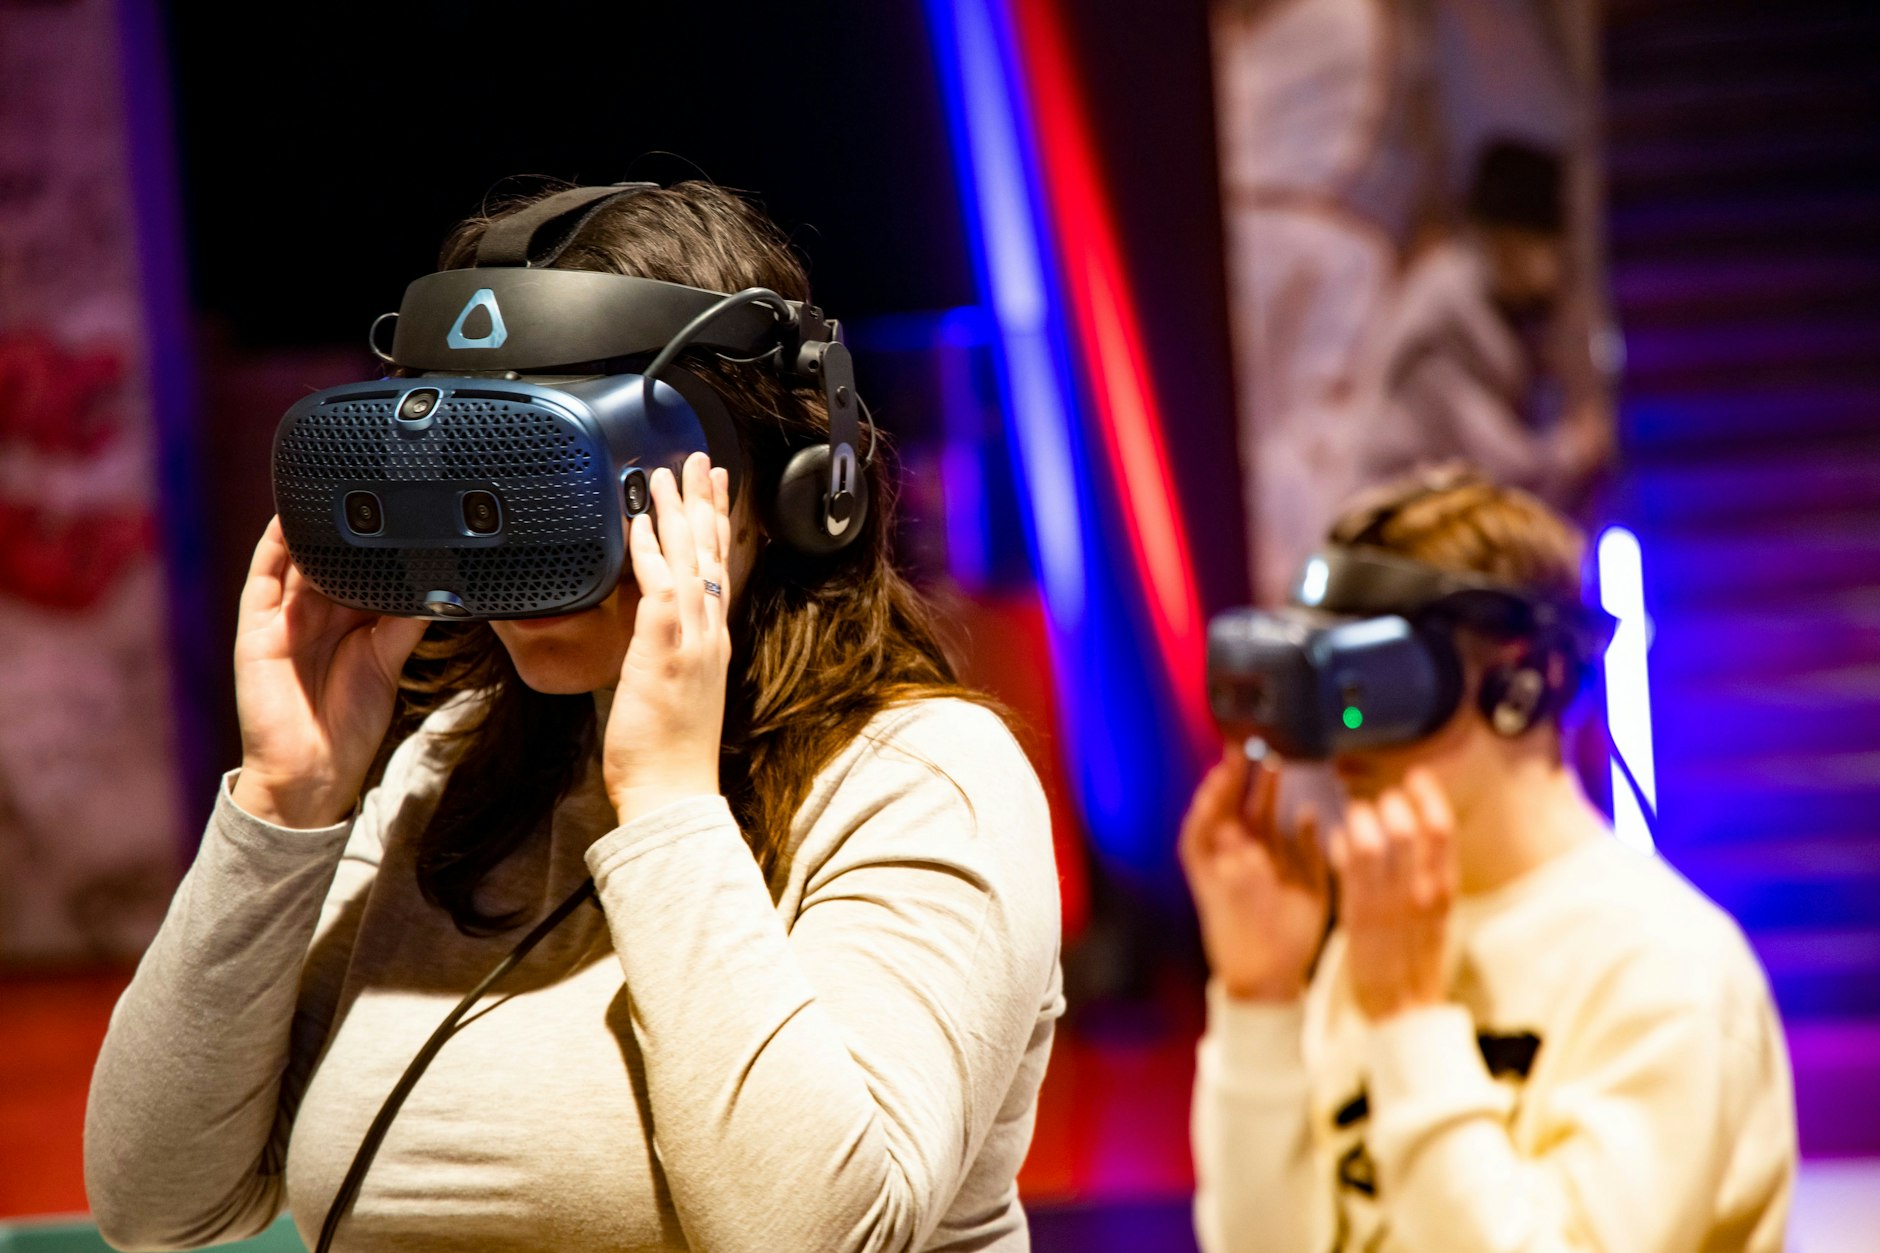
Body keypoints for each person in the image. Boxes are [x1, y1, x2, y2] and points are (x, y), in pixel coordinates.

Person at [85, 182, 1065, 1252]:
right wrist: (285, 802)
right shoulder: (442, 775)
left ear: (785, 489)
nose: (523, 550)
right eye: (483, 482)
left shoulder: (919, 778)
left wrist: (665, 809)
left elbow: (821, 1234)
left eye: (567, 477)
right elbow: (153, 1199)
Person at [1181, 468, 1795, 1251]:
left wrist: (1409, 1020)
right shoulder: (1378, 936)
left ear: (1520, 683)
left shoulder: (1668, 970)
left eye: (1376, 683)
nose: (1346, 737)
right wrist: (1261, 997)